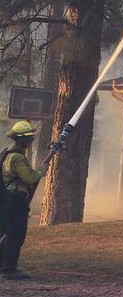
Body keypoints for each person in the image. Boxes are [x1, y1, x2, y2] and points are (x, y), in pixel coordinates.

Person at [1, 120, 45, 281]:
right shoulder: (18, 158)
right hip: (16, 202)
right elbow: (29, 178)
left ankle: (3, 267)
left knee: (6, 233)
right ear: (24, 140)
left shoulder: (6, 153)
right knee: (16, 234)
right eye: (30, 139)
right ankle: (9, 270)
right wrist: (41, 170)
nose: (30, 142)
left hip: (6, 200)